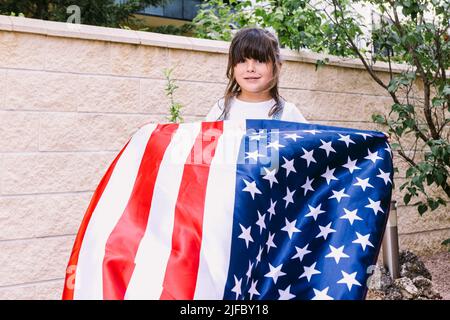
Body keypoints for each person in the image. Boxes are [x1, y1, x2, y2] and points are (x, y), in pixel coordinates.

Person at [204, 27, 308, 123]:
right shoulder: (220, 110)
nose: (250, 68)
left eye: (260, 61)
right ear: (232, 66)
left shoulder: (288, 113)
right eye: (242, 61)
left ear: (277, 66)